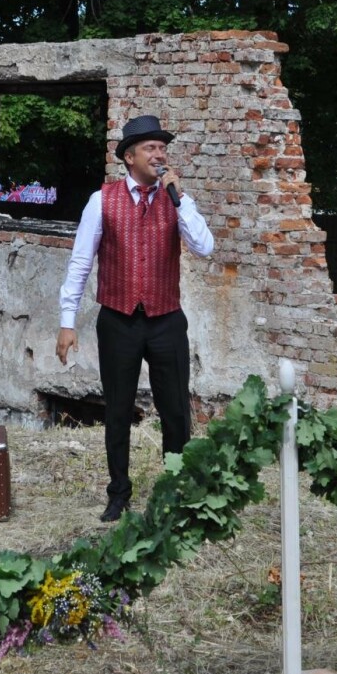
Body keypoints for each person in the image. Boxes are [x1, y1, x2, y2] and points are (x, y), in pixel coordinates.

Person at [56, 115, 215, 522]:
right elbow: (79, 263)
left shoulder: (177, 199)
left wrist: (178, 197)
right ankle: (118, 492)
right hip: (118, 320)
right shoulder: (102, 200)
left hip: (166, 319)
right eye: (150, 148)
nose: (159, 154)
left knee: (176, 410)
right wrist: (67, 321)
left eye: (162, 148)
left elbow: (205, 247)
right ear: (129, 157)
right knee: (118, 410)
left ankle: (177, 493)